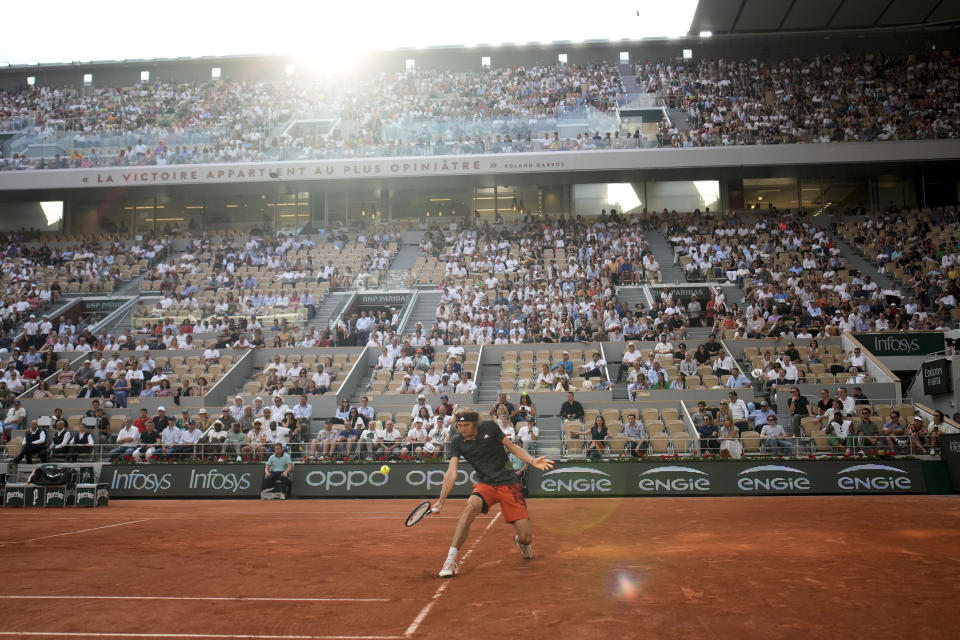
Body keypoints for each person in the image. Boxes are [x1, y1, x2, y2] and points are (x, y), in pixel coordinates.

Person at [433, 408, 554, 578]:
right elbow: (451, 472)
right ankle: (450, 560)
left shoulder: (490, 427)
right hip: (486, 485)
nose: (462, 429)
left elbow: (512, 448)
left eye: (465, 425)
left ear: (475, 424)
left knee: (526, 537)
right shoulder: (457, 441)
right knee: (469, 509)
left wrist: (532, 460)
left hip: (509, 483)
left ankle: (520, 541)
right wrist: (441, 501)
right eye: (459, 425)